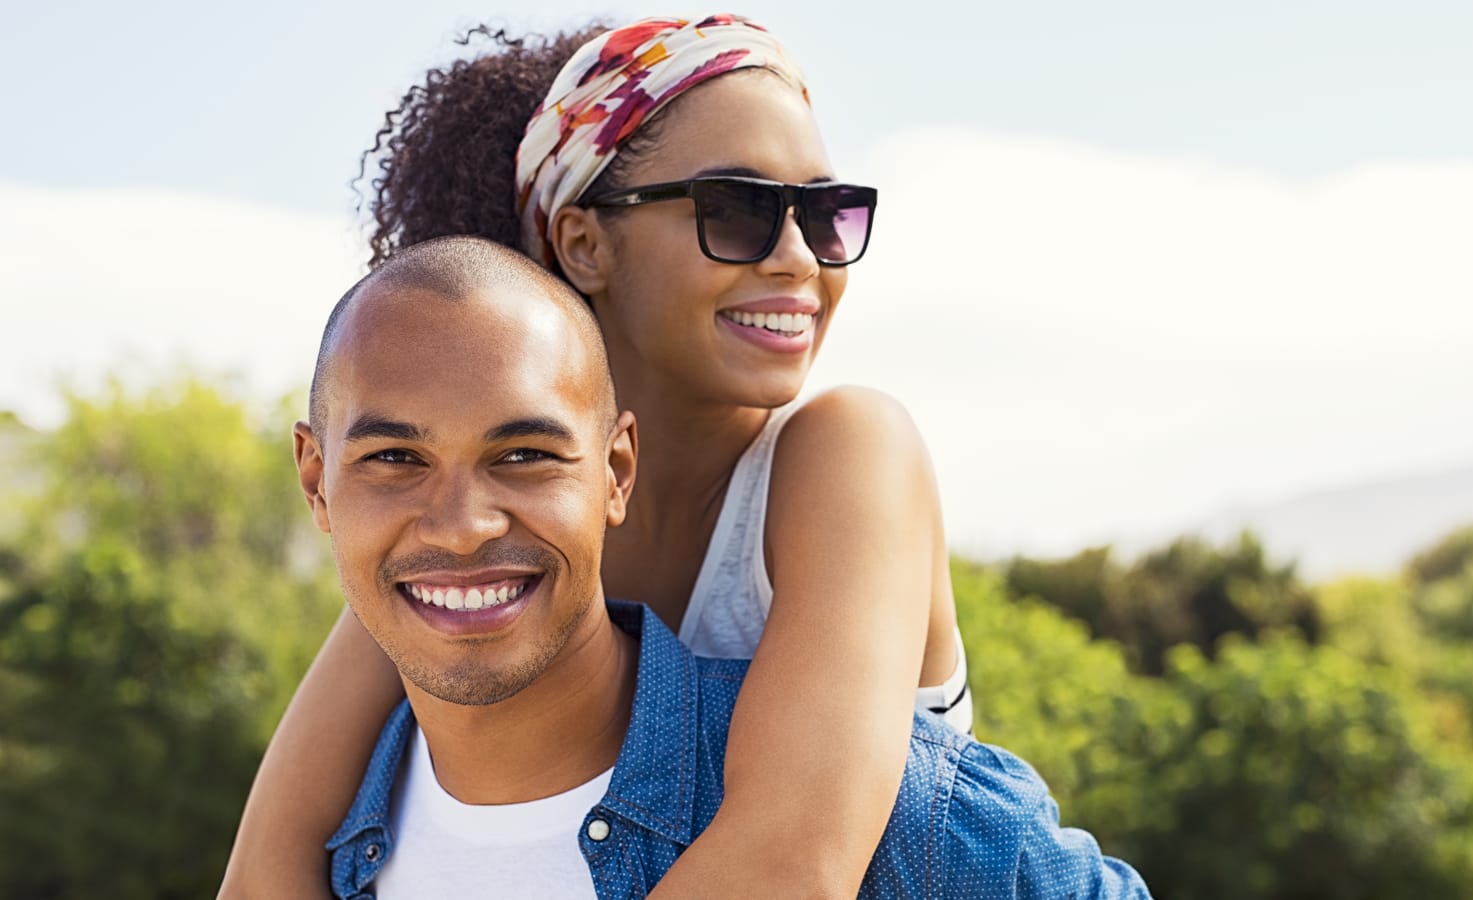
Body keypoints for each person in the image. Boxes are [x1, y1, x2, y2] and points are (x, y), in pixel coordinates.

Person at [226, 16, 993, 896]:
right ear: (582, 241)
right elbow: (267, 870)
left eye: (826, 213)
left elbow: (791, 865)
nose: (797, 259)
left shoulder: (847, 453)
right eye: (737, 209)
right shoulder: (466, 534)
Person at [303, 235, 1148, 899]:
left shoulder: (910, 822)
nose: (461, 528)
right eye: (394, 459)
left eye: (524, 454)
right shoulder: (325, 844)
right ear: (317, 482)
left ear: (617, 471)